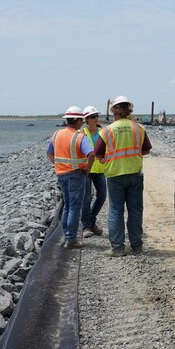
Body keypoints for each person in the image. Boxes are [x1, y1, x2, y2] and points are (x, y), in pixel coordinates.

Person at [94, 95, 151, 257]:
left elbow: (98, 154)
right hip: (135, 174)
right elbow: (146, 150)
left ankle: (118, 248)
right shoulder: (139, 128)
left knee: (116, 211)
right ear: (129, 110)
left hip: (115, 175)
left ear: (114, 111)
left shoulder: (107, 131)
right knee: (135, 210)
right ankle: (137, 247)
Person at [46, 106, 94, 249]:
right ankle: (72, 239)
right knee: (74, 208)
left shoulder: (56, 135)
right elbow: (91, 154)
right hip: (75, 175)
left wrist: (58, 165)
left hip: (61, 175)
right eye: (82, 120)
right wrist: (88, 168)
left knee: (67, 206)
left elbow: (49, 153)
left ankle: (67, 235)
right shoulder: (79, 136)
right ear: (78, 120)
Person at [79, 105, 106, 238]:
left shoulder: (103, 131)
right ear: (86, 119)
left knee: (102, 196)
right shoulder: (82, 133)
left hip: (100, 169)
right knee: (87, 198)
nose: (96, 119)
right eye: (92, 117)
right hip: (86, 170)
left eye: (96, 116)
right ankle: (86, 226)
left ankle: (91, 220)